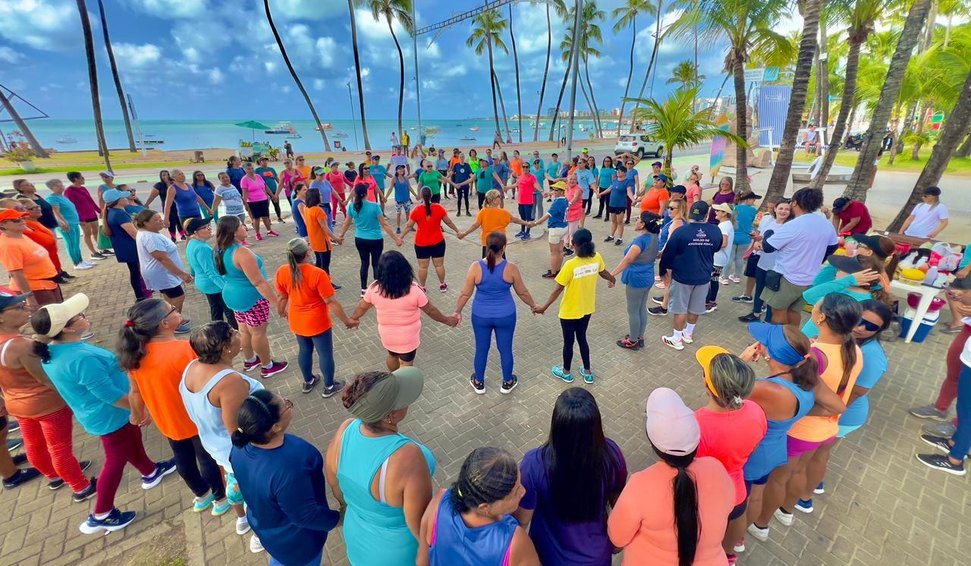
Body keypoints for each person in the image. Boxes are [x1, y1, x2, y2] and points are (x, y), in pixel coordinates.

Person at [31, 294, 176, 534]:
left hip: (98, 414)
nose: (84, 315)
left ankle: (150, 471)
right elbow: (108, 394)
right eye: (78, 316)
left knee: (130, 441)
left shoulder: (55, 351)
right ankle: (102, 513)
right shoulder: (81, 358)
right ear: (66, 328)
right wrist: (138, 409)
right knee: (115, 459)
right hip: (110, 414)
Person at [119, 299, 233, 515]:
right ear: (164, 323)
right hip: (195, 418)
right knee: (207, 459)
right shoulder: (184, 349)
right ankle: (220, 497)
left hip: (166, 419)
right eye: (171, 309)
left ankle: (201, 494)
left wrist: (137, 413)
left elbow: (135, 391)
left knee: (183, 460)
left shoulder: (135, 355)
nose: (176, 310)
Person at [736, 323, 842, 545]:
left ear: (769, 354)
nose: (757, 343)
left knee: (743, 499)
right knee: (757, 494)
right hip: (774, 447)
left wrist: (741, 361)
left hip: (753, 452)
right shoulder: (808, 377)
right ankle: (747, 534)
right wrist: (798, 410)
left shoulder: (765, 389)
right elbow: (838, 407)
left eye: (763, 342)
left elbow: (723, 391)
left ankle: (734, 540)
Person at [608, 387, 734, 565]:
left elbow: (617, 537)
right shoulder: (716, 469)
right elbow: (728, 511)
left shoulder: (640, 484)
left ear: (653, 443)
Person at [325, 369, 436, 566]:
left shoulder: (346, 428)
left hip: (356, 536)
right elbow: (420, 523)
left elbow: (334, 484)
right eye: (402, 399)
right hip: (397, 554)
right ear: (390, 416)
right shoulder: (408, 456)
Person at [768, 294, 861, 526]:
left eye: (817, 306)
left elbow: (789, 392)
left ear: (821, 317)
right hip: (827, 428)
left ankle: (763, 521)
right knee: (800, 471)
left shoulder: (815, 356)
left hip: (800, 429)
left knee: (779, 478)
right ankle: (788, 510)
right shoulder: (854, 350)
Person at [0, 287, 94, 500]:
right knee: (59, 448)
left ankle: (53, 476)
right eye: (18, 307)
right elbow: (45, 379)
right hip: (46, 405)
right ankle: (81, 487)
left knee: (33, 443)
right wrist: (73, 396)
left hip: (17, 403)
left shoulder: (11, 344)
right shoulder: (21, 346)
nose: (26, 308)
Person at [514, 388, 627, 565]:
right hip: (596, 557)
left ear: (556, 424)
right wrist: (617, 543)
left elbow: (521, 520)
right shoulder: (612, 455)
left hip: (548, 558)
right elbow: (621, 506)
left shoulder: (534, 463)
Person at [230, 389, 339, 566]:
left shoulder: (239, 448)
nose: (289, 404)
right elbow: (305, 516)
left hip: (267, 530)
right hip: (298, 545)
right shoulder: (290, 466)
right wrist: (336, 519)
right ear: (276, 427)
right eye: (286, 405)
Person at [180, 321, 261, 545]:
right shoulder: (229, 382)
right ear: (226, 348)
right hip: (239, 450)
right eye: (233, 332)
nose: (237, 332)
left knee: (232, 481)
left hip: (215, 444)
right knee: (253, 491)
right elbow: (236, 428)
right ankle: (258, 534)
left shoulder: (192, 367)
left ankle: (241, 520)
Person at [808, 300, 892, 495]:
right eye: (860, 320)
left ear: (879, 331)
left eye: (871, 327)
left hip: (843, 413)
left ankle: (806, 495)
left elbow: (854, 393)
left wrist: (823, 414)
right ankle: (809, 486)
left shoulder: (872, 355)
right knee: (813, 454)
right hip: (829, 406)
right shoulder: (844, 337)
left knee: (817, 454)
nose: (861, 328)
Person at [693, 347, 767, 563]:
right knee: (735, 521)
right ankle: (728, 556)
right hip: (736, 492)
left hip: (705, 496)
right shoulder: (755, 410)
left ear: (706, 385)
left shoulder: (696, 424)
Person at [417, 446, 540, 565]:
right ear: (485, 507)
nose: (523, 492)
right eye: (515, 492)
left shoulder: (439, 501)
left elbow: (422, 561)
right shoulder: (515, 543)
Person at [454, 232, 538, 395]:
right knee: (505, 348)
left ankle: (478, 382)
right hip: (506, 315)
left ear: (486, 246)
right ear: (504, 247)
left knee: (481, 348)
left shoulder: (475, 267)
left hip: (481, 315)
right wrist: (533, 305)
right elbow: (522, 292)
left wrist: (457, 311)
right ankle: (507, 382)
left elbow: (465, 294)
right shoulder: (511, 268)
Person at [349, 251, 458, 371]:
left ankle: (394, 377)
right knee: (406, 363)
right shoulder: (414, 290)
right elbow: (431, 311)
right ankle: (404, 381)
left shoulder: (374, 289)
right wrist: (447, 320)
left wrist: (354, 318)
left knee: (392, 355)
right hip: (408, 336)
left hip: (387, 334)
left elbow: (362, 306)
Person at [275, 238, 356, 396]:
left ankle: (308, 381)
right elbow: (331, 301)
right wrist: (347, 321)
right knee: (325, 353)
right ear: (307, 253)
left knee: (304, 350)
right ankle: (329, 386)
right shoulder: (318, 273)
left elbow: (282, 297)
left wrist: (281, 311)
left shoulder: (282, 271)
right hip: (317, 322)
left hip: (297, 320)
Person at [535, 229, 616, 384]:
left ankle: (566, 372)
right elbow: (603, 272)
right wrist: (612, 279)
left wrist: (543, 307)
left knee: (568, 342)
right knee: (582, 338)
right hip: (587, 308)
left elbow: (557, 289)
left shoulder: (570, 265)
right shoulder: (596, 257)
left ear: (573, 244)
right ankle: (587, 372)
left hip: (569, 311)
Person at [214, 216, 288, 378]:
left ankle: (250, 360)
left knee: (244, 330)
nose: (245, 227)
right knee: (258, 333)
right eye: (241, 225)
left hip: (233, 296)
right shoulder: (241, 253)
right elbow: (258, 282)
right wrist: (277, 303)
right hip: (251, 298)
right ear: (233, 232)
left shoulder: (221, 249)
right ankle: (267, 366)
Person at [761, 187, 839, 327]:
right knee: (794, 312)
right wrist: (817, 260)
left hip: (787, 277)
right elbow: (833, 246)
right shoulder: (826, 224)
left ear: (795, 203)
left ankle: (780, 338)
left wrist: (768, 233)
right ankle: (795, 337)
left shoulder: (793, 225)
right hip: (810, 279)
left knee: (778, 311)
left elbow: (768, 247)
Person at [659, 202, 722, 351]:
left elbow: (668, 254)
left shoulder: (681, 231)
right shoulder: (715, 231)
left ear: (690, 214)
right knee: (695, 307)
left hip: (682, 276)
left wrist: (662, 271)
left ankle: (676, 339)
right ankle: (688, 334)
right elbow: (717, 247)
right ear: (706, 215)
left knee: (680, 308)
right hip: (703, 276)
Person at [132, 210, 192, 333]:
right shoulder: (150, 237)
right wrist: (182, 274)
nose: (160, 221)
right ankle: (174, 323)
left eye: (160, 218)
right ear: (145, 223)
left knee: (168, 296)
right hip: (163, 273)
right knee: (178, 296)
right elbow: (162, 258)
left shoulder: (147, 233)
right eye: (156, 219)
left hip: (160, 273)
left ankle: (168, 319)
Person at [338, 184, 402, 296]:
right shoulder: (374, 206)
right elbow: (384, 224)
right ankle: (378, 289)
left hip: (360, 239)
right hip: (375, 239)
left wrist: (341, 236)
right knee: (376, 264)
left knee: (364, 263)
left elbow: (346, 223)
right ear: (366, 193)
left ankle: (363, 289)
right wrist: (396, 239)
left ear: (355, 194)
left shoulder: (352, 206)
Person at [610, 211, 662, 350]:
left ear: (643, 224)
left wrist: (612, 274)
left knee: (633, 310)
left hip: (636, 278)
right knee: (641, 307)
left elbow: (628, 260)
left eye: (638, 219)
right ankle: (639, 336)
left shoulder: (640, 241)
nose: (636, 221)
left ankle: (632, 340)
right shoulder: (655, 237)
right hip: (648, 276)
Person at [739, 199, 791, 323]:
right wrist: (757, 241)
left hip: (777, 267)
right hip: (763, 263)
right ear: (775, 209)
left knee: (771, 294)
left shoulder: (789, 227)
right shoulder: (770, 222)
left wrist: (763, 246)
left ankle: (768, 320)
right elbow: (763, 237)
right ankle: (756, 313)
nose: (783, 211)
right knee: (759, 289)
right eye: (781, 208)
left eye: (787, 209)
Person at [400, 187, 460, 292]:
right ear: (431, 195)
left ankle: (422, 287)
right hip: (438, 242)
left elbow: (409, 226)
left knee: (423, 267)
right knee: (439, 265)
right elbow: (448, 222)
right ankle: (442, 285)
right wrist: (457, 231)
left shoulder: (416, 210)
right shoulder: (439, 208)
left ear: (421, 196)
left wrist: (400, 238)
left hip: (421, 243)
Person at [0, 208, 61, 308]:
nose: (21, 221)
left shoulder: (21, 236)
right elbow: (16, 274)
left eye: (22, 218)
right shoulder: (8, 245)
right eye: (16, 220)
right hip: (36, 288)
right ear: (2, 225)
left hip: (47, 283)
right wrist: (29, 297)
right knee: (50, 316)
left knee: (59, 313)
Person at [184, 218, 236, 329]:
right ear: (195, 232)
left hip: (203, 282)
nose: (209, 228)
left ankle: (216, 333)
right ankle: (234, 333)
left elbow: (193, 264)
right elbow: (210, 272)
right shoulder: (202, 248)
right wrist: (225, 288)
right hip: (213, 284)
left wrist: (193, 274)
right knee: (229, 312)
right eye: (204, 227)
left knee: (216, 309)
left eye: (209, 226)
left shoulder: (192, 243)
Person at [100, 189, 150, 301]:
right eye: (123, 197)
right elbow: (134, 234)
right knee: (137, 272)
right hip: (131, 248)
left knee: (135, 272)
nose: (126, 198)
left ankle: (140, 295)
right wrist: (148, 245)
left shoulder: (112, 211)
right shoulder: (120, 214)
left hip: (125, 248)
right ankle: (142, 295)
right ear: (118, 201)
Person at [7, 197, 69, 283]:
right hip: (40, 275)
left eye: (37, 206)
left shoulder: (35, 223)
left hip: (49, 269)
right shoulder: (21, 230)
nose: (38, 209)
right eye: (32, 208)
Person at [458, 189, 530, 258]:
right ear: (494, 200)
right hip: (499, 241)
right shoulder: (503, 213)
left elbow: (475, 225)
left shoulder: (483, 212)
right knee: (501, 263)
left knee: (486, 263)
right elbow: (515, 220)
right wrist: (527, 223)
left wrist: (465, 233)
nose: (500, 198)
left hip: (487, 241)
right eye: (499, 196)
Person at [45, 179, 92, 271]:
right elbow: (56, 212)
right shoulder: (52, 198)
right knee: (71, 244)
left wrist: (79, 221)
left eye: (61, 185)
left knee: (76, 243)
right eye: (57, 186)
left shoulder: (62, 196)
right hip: (66, 225)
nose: (61, 187)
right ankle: (76, 263)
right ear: (51, 188)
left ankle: (80, 261)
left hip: (74, 223)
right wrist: (63, 222)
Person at [64, 172, 111, 260]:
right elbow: (71, 206)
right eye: (81, 177)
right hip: (82, 217)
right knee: (87, 234)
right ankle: (93, 252)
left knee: (96, 232)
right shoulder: (69, 191)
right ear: (76, 179)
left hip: (91, 213)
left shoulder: (83, 188)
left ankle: (102, 248)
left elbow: (90, 201)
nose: (83, 179)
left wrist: (100, 211)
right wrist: (79, 219)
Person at [530, 181, 570, 279]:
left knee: (554, 252)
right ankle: (558, 269)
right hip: (564, 227)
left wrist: (535, 223)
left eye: (556, 190)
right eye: (554, 190)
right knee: (560, 251)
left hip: (556, 229)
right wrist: (549, 193)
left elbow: (547, 215)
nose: (554, 192)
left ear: (562, 191)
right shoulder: (565, 200)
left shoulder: (557, 203)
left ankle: (553, 272)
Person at [303, 188, 341, 276]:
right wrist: (336, 238)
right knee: (325, 266)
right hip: (322, 242)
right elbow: (325, 228)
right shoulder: (318, 210)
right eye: (319, 194)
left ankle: (317, 280)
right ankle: (326, 281)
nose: (321, 196)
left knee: (319, 263)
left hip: (314, 241)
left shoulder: (306, 209)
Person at [705, 203, 735, 312]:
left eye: (718, 210)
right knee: (714, 279)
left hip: (717, 258)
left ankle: (708, 302)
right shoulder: (726, 224)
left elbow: (723, 243)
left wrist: (709, 244)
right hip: (720, 258)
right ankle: (711, 301)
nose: (715, 212)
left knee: (711, 280)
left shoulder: (724, 226)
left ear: (724, 213)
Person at [724, 191, 759, 284]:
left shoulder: (735, 208)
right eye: (753, 199)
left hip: (733, 236)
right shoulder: (753, 210)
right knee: (740, 257)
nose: (754, 201)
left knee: (730, 257)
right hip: (745, 237)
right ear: (747, 199)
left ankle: (725, 277)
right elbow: (752, 222)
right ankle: (737, 277)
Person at [240, 162, 279, 241]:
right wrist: (245, 203)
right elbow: (245, 192)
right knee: (256, 218)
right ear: (245, 170)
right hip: (253, 201)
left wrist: (272, 195)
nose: (251, 170)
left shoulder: (258, 176)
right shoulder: (244, 180)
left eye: (252, 168)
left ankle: (269, 231)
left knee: (266, 216)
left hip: (263, 199)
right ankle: (257, 233)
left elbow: (265, 187)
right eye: (248, 169)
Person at [600, 167, 636, 246]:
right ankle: (611, 236)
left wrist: (633, 200)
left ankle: (620, 238)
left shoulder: (627, 182)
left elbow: (629, 192)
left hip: (620, 205)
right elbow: (609, 189)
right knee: (613, 221)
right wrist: (601, 193)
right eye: (617, 171)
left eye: (620, 171)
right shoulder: (615, 180)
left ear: (624, 173)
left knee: (619, 222)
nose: (618, 172)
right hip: (612, 203)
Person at [212, 172, 249, 241]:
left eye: (226, 177)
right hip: (231, 212)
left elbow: (239, 196)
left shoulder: (232, 186)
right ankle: (236, 241)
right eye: (222, 178)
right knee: (235, 227)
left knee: (242, 226)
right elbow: (216, 200)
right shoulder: (219, 189)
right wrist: (213, 210)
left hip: (240, 210)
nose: (225, 179)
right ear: (220, 179)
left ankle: (243, 241)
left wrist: (245, 204)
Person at [255, 156, 285, 223]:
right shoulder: (258, 170)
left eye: (266, 160)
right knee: (266, 205)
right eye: (263, 161)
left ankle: (279, 217)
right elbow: (256, 180)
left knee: (276, 204)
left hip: (274, 189)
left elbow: (277, 178)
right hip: (264, 191)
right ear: (260, 162)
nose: (265, 162)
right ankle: (268, 220)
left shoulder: (271, 169)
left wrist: (282, 185)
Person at [389, 164, 418, 233]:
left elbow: (409, 187)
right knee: (398, 214)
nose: (401, 170)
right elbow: (390, 188)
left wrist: (415, 195)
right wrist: (385, 197)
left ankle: (409, 226)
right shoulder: (394, 179)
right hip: (398, 200)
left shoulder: (406, 178)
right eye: (399, 169)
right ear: (396, 170)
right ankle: (398, 228)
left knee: (408, 213)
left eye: (402, 168)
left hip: (406, 199)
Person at [513, 164, 539, 240]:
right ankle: (522, 231)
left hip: (528, 201)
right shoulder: (520, 177)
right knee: (522, 217)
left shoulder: (532, 177)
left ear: (529, 168)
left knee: (528, 218)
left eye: (526, 167)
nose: (525, 168)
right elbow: (516, 184)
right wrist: (507, 187)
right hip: (521, 201)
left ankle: (527, 233)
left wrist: (541, 191)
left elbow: (536, 185)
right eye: (523, 167)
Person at [309, 167, 337, 231]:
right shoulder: (313, 184)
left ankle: (331, 236)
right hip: (320, 207)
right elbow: (311, 197)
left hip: (327, 206)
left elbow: (333, 191)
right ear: (316, 175)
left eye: (323, 174)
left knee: (329, 223)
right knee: (323, 225)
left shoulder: (326, 182)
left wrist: (340, 200)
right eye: (321, 175)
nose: (323, 176)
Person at [592, 156, 616, 220]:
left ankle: (607, 216)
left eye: (608, 161)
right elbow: (600, 177)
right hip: (601, 187)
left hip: (608, 188)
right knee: (601, 201)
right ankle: (599, 214)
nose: (606, 163)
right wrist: (597, 185)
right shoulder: (602, 169)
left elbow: (613, 181)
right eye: (605, 161)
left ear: (610, 162)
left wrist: (611, 188)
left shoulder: (612, 170)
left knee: (608, 202)